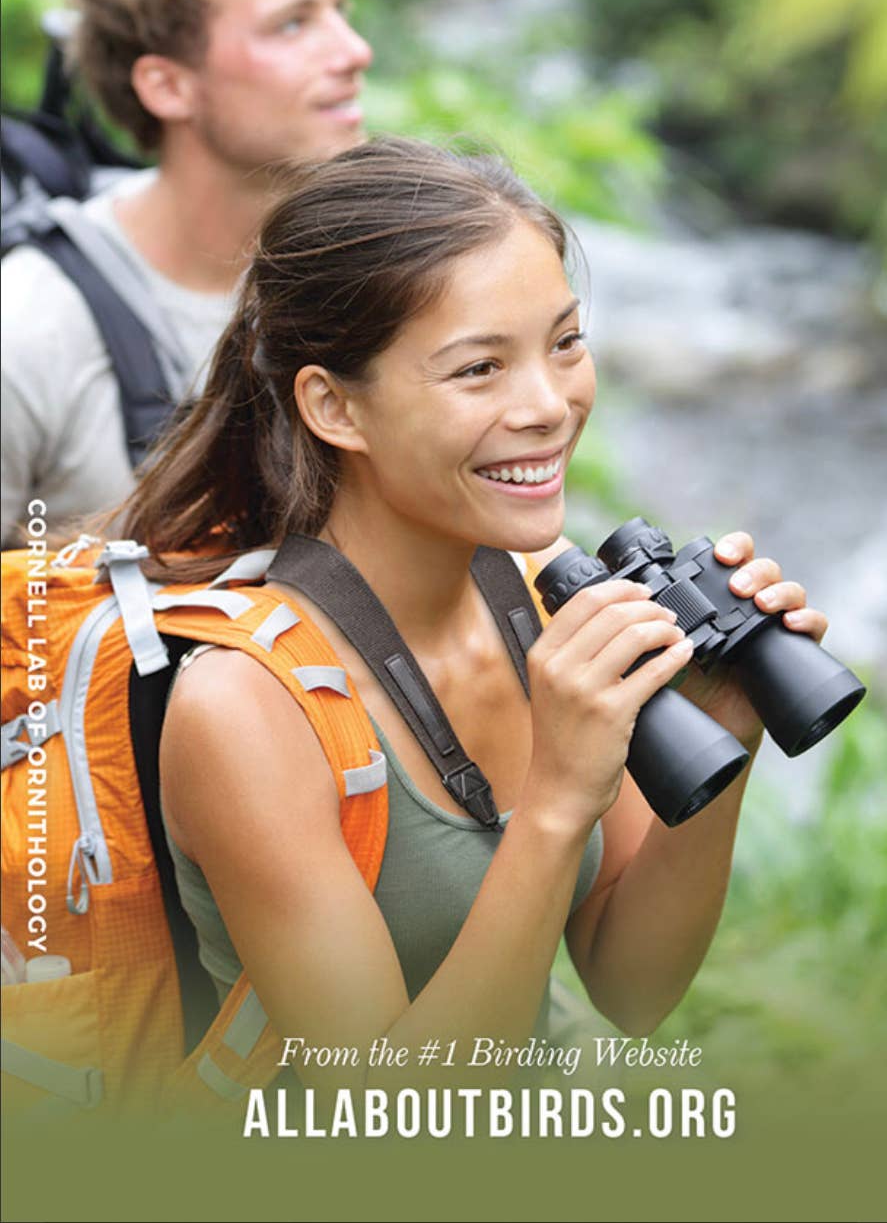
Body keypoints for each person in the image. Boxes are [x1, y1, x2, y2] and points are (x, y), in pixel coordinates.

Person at [117, 138, 827, 1092]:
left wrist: (723, 723)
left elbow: (632, 985)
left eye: (565, 342)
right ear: (335, 406)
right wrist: (556, 802)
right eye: (477, 370)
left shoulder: (541, 596)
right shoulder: (244, 710)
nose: (549, 405)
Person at [0, 0, 373, 544]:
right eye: (292, 23)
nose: (353, 51)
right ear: (168, 86)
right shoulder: (27, 333)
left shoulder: (378, 281)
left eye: (339, 11)